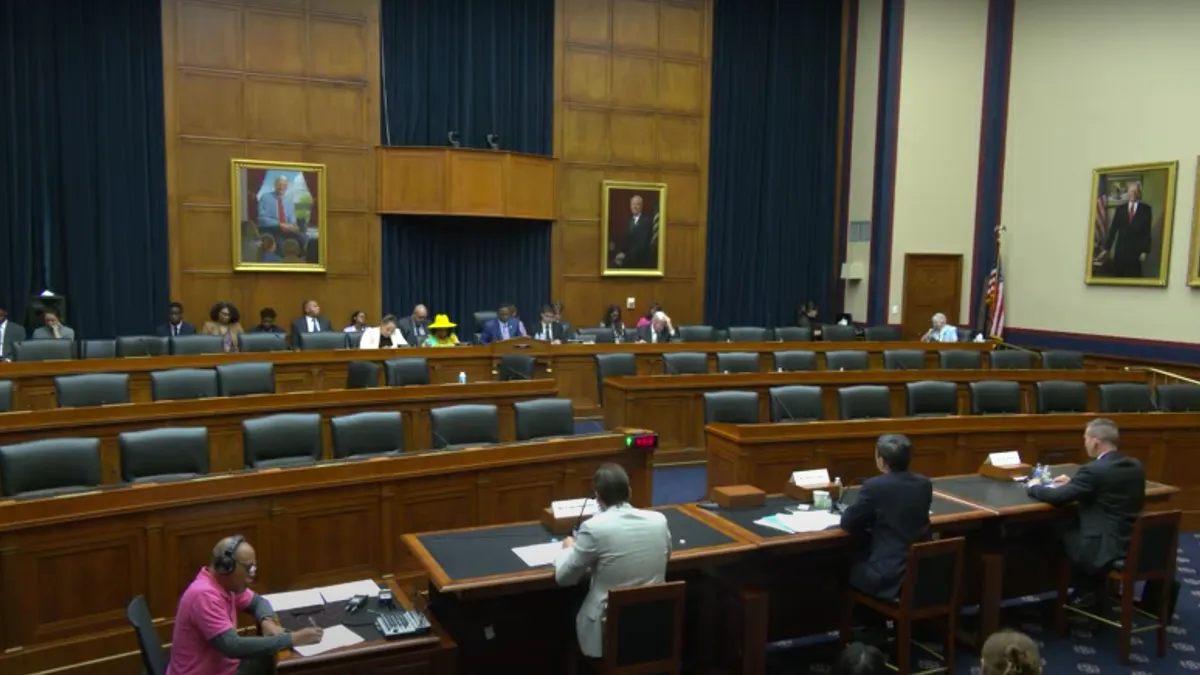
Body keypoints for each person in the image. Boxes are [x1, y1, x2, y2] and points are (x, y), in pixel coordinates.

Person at [554, 463, 671, 658]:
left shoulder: (593, 528)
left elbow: (564, 578)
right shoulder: (659, 521)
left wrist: (567, 550)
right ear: (630, 491)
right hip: (655, 625)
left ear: (598, 498)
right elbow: (667, 558)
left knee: (560, 610)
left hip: (609, 629)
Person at [1027, 418, 1144, 606]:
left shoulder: (1093, 470)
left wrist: (1034, 487)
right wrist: (1074, 483)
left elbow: (1059, 498)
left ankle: (1079, 590)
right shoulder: (1134, 465)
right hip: (1128, 539)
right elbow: (1105, 485)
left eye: (1085, 439)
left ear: (1095, 442)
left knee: (1050, 526)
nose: (1085, 443)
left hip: (1101, 547)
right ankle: (1088, 589)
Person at [166, 535, 322, 675]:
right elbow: (233, 646)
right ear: (226, 567)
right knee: (283, 659)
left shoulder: (226, 584)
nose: (253, 573)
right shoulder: (203, 595)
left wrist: (266, 620)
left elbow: (258, 602)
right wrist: (293, 638)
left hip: (226, 668)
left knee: (273, 655)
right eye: (249, 568)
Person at [840, 434, 933, 600]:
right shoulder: (924, 483)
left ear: (881, 460)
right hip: (920, 573)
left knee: (839, 564)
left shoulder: (874, 486)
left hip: (887, 577)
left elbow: (848, 524)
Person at [1101, 181, 1152, 278]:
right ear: (1127, 192)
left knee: (1133, 279)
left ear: (1139, 193)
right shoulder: (1120, 209)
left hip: (1136, 253)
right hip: (1120, 251)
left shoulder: (1146, 210)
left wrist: (1145, 251)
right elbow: (1113, 230)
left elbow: (1147, 232)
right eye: (1130, 191)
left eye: (1135, 191)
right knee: (1117, 279)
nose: (1132, 193)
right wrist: (1106, 249)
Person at [611, 194, 659, 269]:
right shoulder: (628, 221)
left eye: (637, 204)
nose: (635, 207)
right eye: (633, 204)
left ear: (641, 206)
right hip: (627, 259)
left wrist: (625, 256)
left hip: (640, 261)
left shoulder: (646, 221)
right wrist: (620, 253)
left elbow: (641, 245)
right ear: (630, 206)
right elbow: (625, 241)